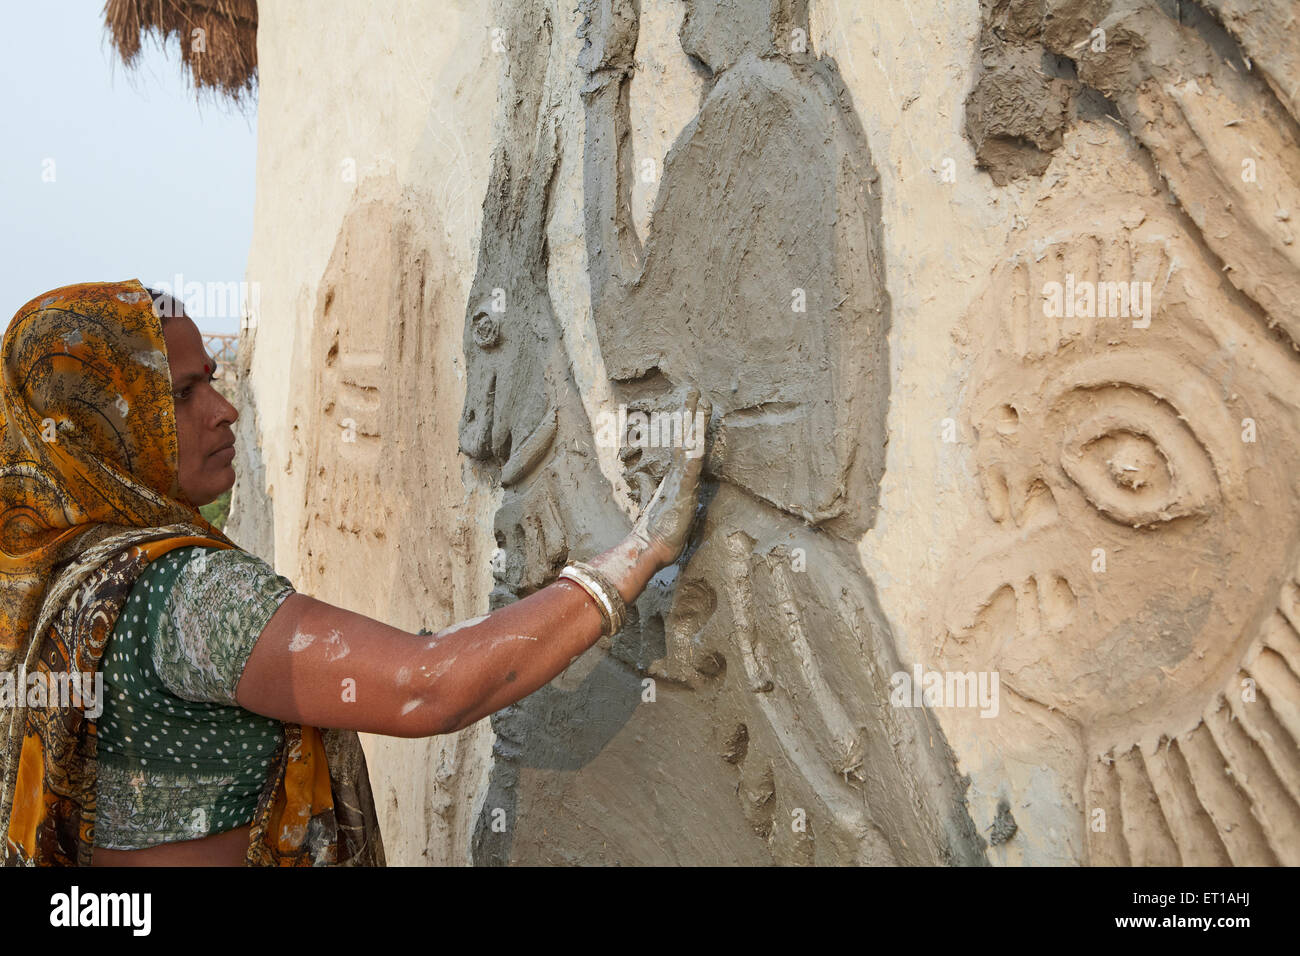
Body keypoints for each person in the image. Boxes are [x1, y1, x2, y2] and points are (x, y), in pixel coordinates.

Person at [0, 279, 708, 866]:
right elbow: (426, 687)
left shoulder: (41, 579)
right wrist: (634, 555)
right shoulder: (187, 594)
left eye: (212, 381)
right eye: (182, 394)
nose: (224, 411)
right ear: (99, 421)